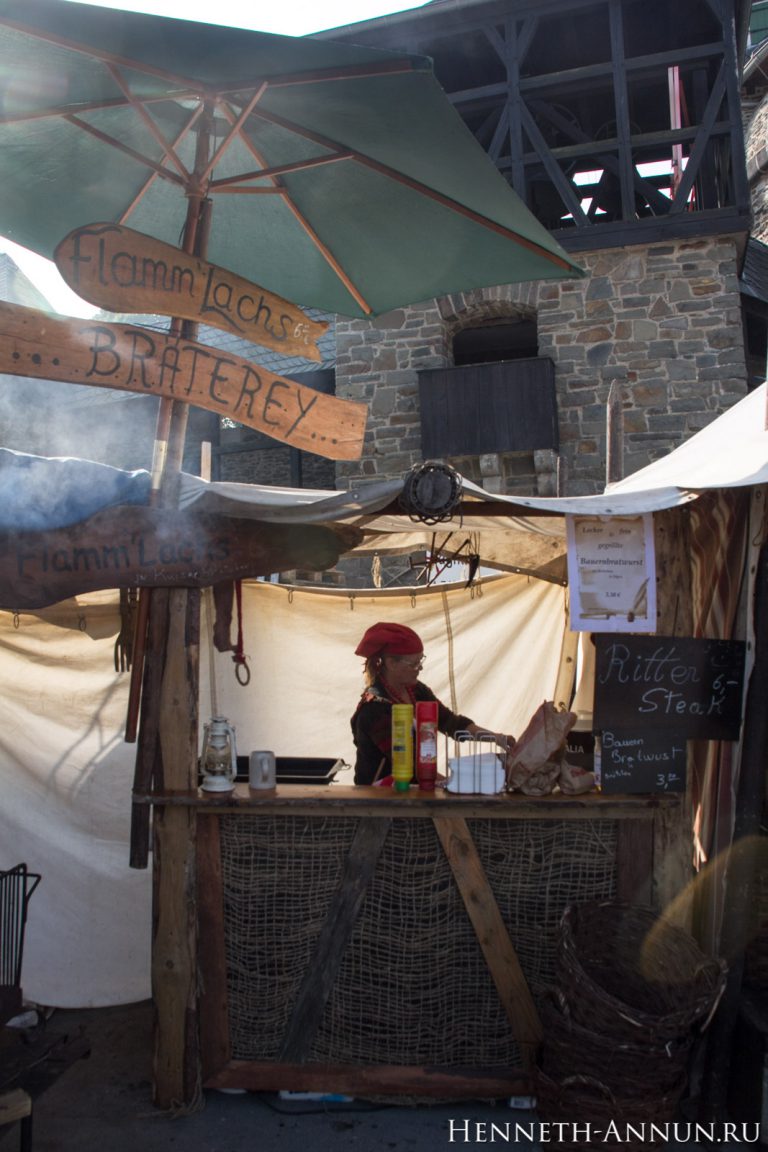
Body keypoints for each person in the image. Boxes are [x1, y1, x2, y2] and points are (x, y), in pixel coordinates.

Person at [350, 621, 511, 786]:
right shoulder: (374, 709)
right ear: (391, 664)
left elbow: (450, 723)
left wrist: (497, 738)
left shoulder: (417, 691)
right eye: (413, 664)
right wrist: (449, 783)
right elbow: (409, 764)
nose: (420, 668)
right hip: (378, 794)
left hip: (412, 788)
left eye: (421, 660)